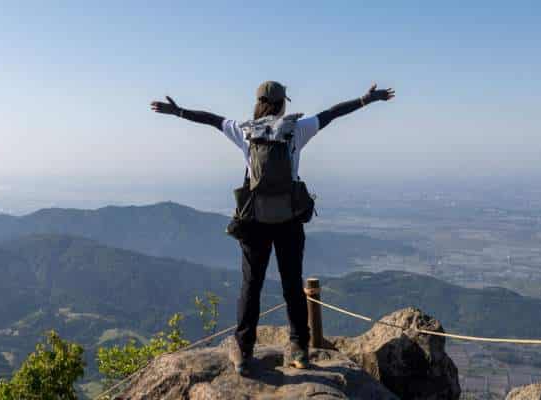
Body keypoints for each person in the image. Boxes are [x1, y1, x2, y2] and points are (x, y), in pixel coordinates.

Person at [150, 81, 395, 375]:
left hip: (254, 222)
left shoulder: (245, 131)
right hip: (289, 221)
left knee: (250, 285)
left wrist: (178, 111)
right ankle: (299, 350)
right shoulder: (296, 129)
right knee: (292, 285)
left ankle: (243, 351)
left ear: (258, 102)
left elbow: (212, 120)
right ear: (282, 104)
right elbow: (332, 114)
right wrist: (366, 99)